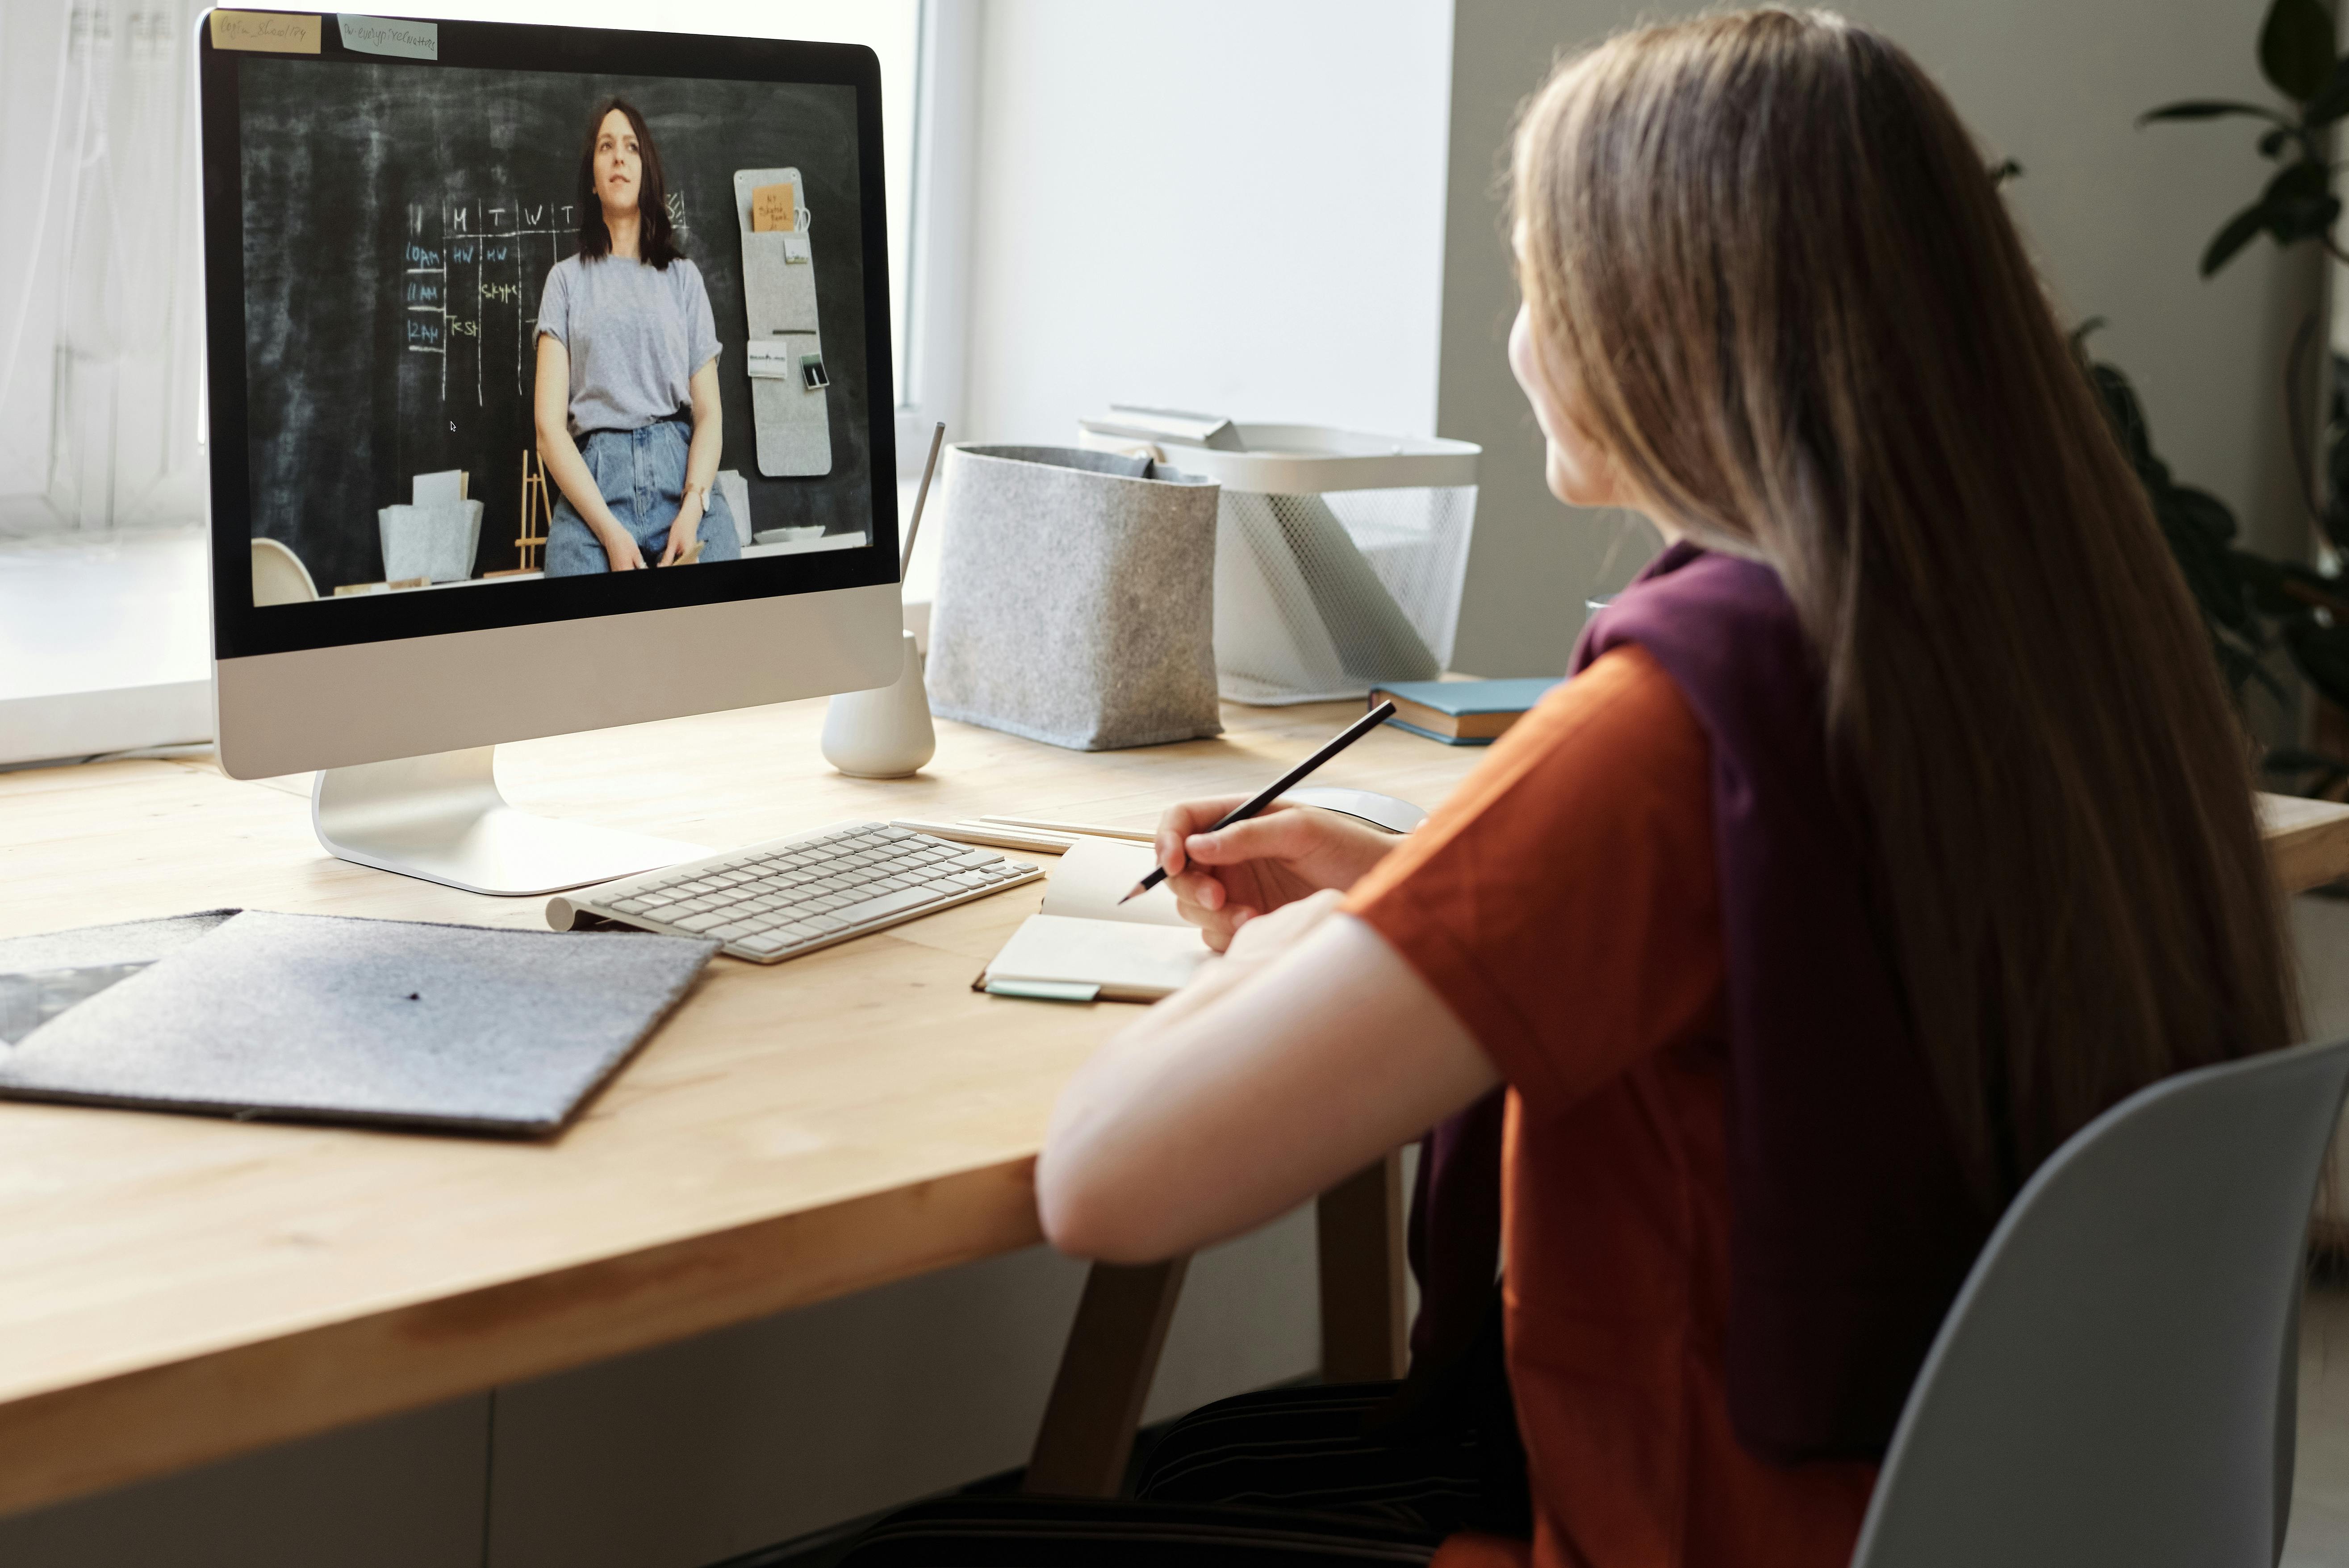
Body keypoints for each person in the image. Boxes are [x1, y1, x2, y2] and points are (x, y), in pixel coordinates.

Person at [840, 11, 2296, 1568]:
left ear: (1662, 321)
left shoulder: (1687, 723)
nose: (1523, 337)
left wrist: (1309, 954)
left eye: (1546, 284)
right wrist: (1431, 912)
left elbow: (1105, 1182)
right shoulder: (2059, 647)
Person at [535, 97, 739, 576]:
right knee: (580, 641)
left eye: (631, 147)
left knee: (722, 632)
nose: (619, 157)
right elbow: (548, 429)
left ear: (645, 170)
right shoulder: (564, 282)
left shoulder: (683, 278)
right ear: (593, 176)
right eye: (606, 147)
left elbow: (709, 412)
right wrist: (608, 530)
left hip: (681, 476)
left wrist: (693, 506)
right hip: (595, 490)